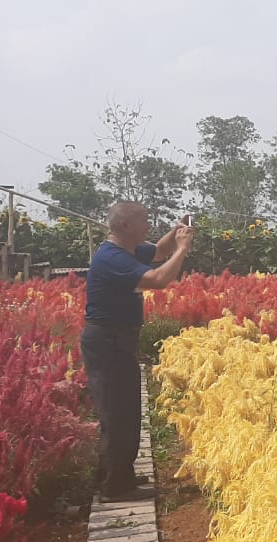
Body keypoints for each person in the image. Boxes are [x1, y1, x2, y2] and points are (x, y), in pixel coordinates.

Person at [81, 202, 194, 503]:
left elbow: (157, 252)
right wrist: (182, 249)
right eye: (143, 220)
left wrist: (176, 230)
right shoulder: (113, 258)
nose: (148, 225)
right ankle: (115, 487)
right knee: (117, 413)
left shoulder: (127, 249)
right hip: (108, 341)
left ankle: (120, 474)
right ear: (125, 226)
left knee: (123, 410)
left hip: (117, 339)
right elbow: (157, 279)